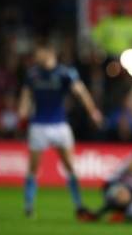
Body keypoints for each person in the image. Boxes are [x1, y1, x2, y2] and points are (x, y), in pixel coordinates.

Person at [18, 43, 103, 220]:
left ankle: (78, 205)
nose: (37, 56)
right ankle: (28, 206)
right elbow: (26, 95)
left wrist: (92, 111)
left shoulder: (65, 73)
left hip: (59, 125)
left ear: (49, 53)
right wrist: (22, 110)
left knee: (70, 166)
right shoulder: (33, 73)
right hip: (38, 125)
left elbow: (81, 92)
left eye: (40, 52)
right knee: (33, 167)